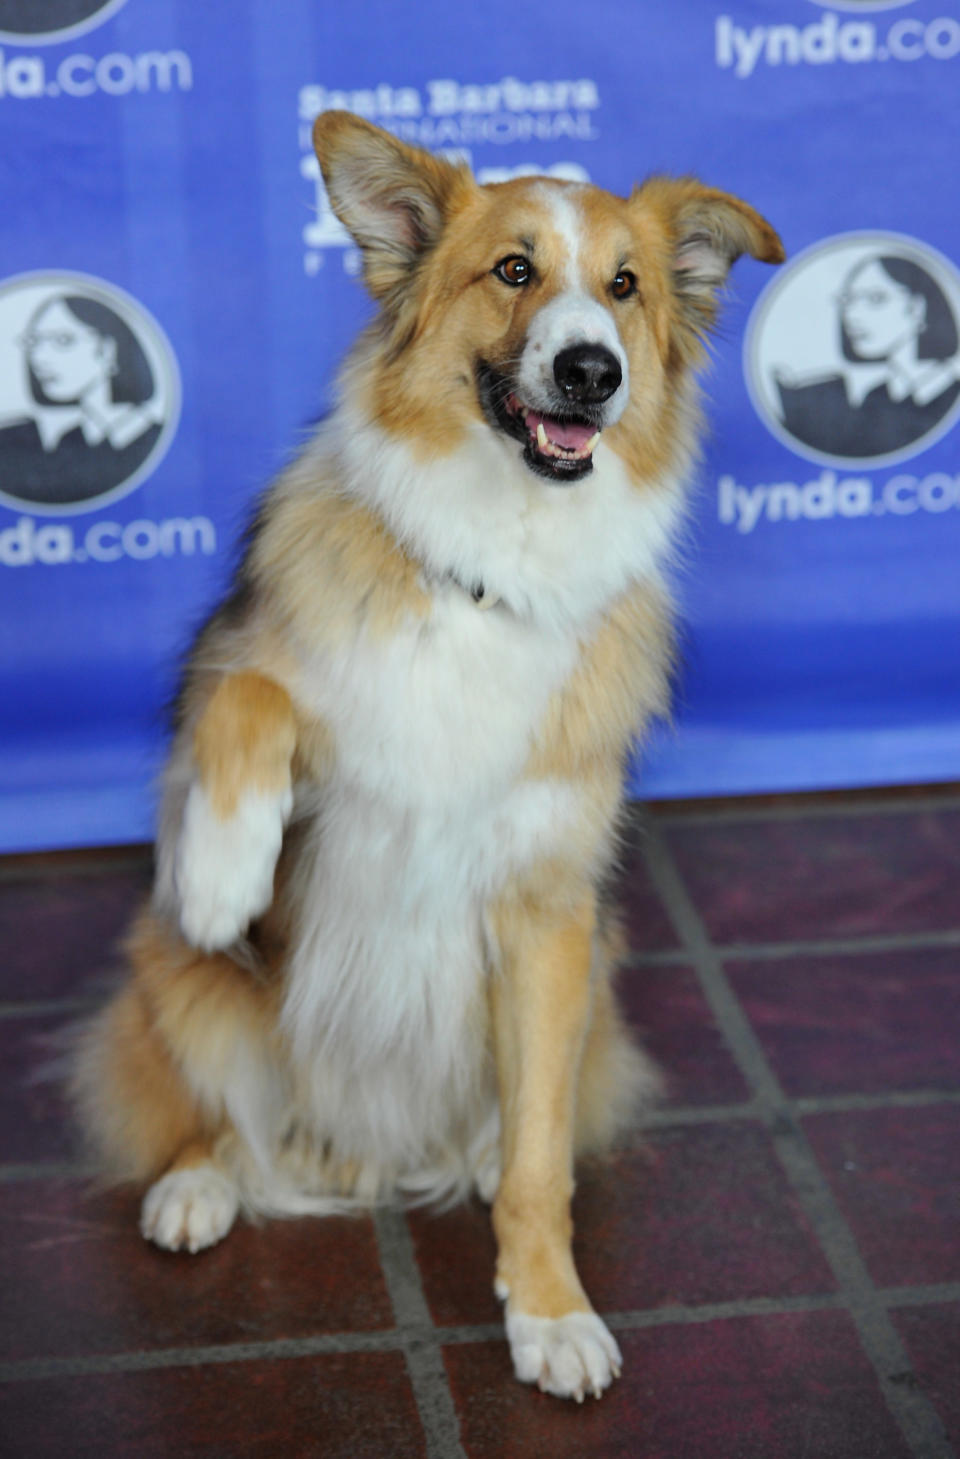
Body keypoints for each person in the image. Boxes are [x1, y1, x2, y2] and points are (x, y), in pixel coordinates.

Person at [775, 253, 960, 459]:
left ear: (916, 308)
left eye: (875, 298)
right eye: (848, 300)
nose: (852, 315)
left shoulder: (950, 394)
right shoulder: (875, 397)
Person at [0, 293, 163, 507]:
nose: (39, 358)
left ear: (107, 350)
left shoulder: (150, 439)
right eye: (35, 342)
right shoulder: (67, 441)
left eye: (62, 340)